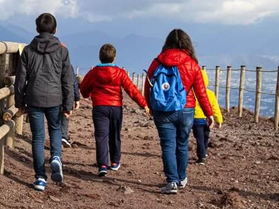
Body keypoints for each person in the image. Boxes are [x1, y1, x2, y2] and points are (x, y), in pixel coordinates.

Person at [145, 29, 214, 194]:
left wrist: (149, 105)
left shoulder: (157, 62)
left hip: (162, 109)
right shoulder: (192, 64)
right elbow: (201, 92)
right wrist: (208, 113)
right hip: (186, 109)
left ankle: (172, 182)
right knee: (182, 144)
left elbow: (148, 85)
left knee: (168, 146)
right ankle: (182, 178)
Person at [15, 13, 75, 191]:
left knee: (38, 138)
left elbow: (20, 79)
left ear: (36, 29)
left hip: (34, 97)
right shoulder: (62, 51)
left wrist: (20, 103)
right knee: (55, 129)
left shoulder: (28, 50)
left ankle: (40, 178)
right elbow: (67, 79)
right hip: (56, 98)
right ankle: (56, 156)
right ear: (55, 29)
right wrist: (68, 104)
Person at [79, 44, 149, 177]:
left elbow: (83, 88)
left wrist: (87, 95)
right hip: (116, 107)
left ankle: (103, 164)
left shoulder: (94, 72)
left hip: (99, 107)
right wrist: (144, 104)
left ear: (100, 57)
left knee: (101, 136)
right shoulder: (120, 73)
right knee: (115, 134)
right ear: (114, 58)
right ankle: (115, 161)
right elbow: (132, 90)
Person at [193, 69, 223, 165]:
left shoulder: (191, 93)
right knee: (206, 136)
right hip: (208, 120)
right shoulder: (210, 93)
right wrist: (219, 120)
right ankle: (203, 152)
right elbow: (215, 108)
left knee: (200, 138)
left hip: (196, 119)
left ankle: (201, 156)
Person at [61, 69, 81, 147]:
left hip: (51, 94)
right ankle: (63, 137)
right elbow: (73, 82)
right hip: (65, 95)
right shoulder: (68, 65)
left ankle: (56, 138)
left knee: (53, 117)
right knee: (65, 115)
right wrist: (77, 98)